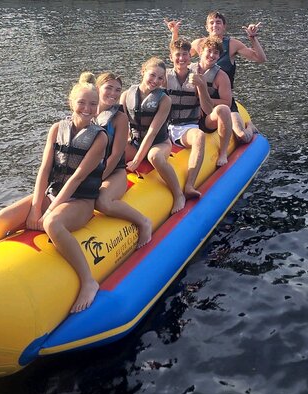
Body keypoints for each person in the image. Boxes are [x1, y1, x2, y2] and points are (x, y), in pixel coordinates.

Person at [0, 73, 107, 313]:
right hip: (53, 194)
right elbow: (44, 170)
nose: (87, 108)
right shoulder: (57, 129)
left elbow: (77, 177)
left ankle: (88, 281)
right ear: (71, 102)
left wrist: (47, 212)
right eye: (82, 102)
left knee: (52, 223)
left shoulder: (99, 137)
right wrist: (36, 207)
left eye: (93, 104)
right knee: (1, 219)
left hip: (81, 202)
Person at [166, 11, 266, 143]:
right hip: (197, 104)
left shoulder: (232, 44)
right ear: (206, 27)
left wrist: (252, 37)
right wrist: (174, 33)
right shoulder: (199, 43)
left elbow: (260, 58)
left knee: (241, 136)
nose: (214, 25)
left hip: (223, 101)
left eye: (218, 22)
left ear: (224, 26)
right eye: (211, 23)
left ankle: (250, 127)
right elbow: (178, 57)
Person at [122, 57, 188, 215]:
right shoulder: (126, 95)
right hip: (136, 142)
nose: (155, 81)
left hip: (159, 143)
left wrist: (136, 161)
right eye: (152, 75)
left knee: (155, 157)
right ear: (143, 71)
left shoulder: (164, 100)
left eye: (160, 78)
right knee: (112, 151)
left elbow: (152, 132)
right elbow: (123, 125)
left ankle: (178, 194)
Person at [93, 72, 152, 248]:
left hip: (114, 172)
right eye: (109, 88)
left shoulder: (120, 118)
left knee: (102, 202)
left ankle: (143, 222)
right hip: (88, 171)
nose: (113, 93)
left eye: (118, 90)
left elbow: (116, 155)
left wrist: (96, 180)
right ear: (97, 88)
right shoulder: (86, 112)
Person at [165, 38, 232, 170]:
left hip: (205, 118)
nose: (212, 55)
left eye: (216, 53)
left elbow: (226, 103)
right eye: (209, 51)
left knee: (223, 109)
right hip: (181, 118)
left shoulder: (221, 76)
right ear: (200, 52)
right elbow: (177, 55)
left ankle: (223, 152)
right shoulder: (187, 68)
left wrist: (201, 96)